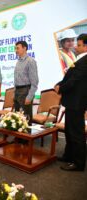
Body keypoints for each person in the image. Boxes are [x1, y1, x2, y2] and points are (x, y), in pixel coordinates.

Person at [55, 34, 87, 171]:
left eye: (79, 45)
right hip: (72, 102)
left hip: (77, 102)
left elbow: (74, 81)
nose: (76, 46)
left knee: (76, 134)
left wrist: (60, 88)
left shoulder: (85, 61)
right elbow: (70, 76)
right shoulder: (80, 59)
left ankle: (78, 163)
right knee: (69, 131)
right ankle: (69, 155)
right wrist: (59, 84)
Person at [13, 41, 39, 122]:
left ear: (24, 48)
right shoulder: (18, 61)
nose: (16, 50)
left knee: (26, 118)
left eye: (18, 48)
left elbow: (35, 81)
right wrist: (14, 92)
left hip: (26, 91)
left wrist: (29, 96)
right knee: (17, 117)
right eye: (15, 48)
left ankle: (27, 133)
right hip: (17, 91)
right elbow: (16, 79)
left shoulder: (30, 61)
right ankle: (18, 134)